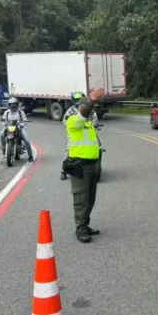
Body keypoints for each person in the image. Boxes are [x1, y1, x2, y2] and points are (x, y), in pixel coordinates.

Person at [65, 88, 104, 242]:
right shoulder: (73, 120)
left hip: (93, 165)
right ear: (81, 108)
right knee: (81, 199)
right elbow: (84, 114)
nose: (92, 110)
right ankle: (80, 229)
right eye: (88, 108)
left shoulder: (88, 123)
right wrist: (92, 99)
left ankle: (85, 224)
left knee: (90, 198)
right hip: (80, 166)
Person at [60, 92, 99, 180]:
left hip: (88, 131)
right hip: (75, 132)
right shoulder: (71, 111)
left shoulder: (91, 111)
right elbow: (65, 121)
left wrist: (92, 125)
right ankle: (63, 171)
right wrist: (73, 128)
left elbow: (95, 119)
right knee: (68, 149)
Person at [0, 97, 33, 162]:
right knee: (1, 135)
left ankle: (30, 156)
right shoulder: (6, 112)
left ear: (17, 105)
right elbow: (3, 120)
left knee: (26, 140)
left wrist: (22, 124)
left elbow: (25, 120)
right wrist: (4, 124)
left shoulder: (21, 112)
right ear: (9, 105)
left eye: (14, 104)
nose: (13, 106)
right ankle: (4, 149)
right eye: (11, 105)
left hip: (19, 127)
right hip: (9, 127)